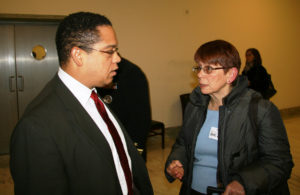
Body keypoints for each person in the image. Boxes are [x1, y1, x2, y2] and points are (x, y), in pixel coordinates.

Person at [10, 12, 153, 195]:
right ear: (78, 55)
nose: (117, 58)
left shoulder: (94, 97)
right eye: (110, 51)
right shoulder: (36, 128)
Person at [165, 40, 293, 195]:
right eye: (199, 67)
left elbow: (279, 162)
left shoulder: (261, 110)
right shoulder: (195, 106)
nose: (199, 74)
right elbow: (183, 144)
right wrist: (176, 161)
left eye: (209, 69)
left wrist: (244, 183)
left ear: (231, 74)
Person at [97, 57, 151, 161]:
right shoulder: (93, 71)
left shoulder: (131, 73)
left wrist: (135, 153)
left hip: (124, 149)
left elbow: (141, 119)